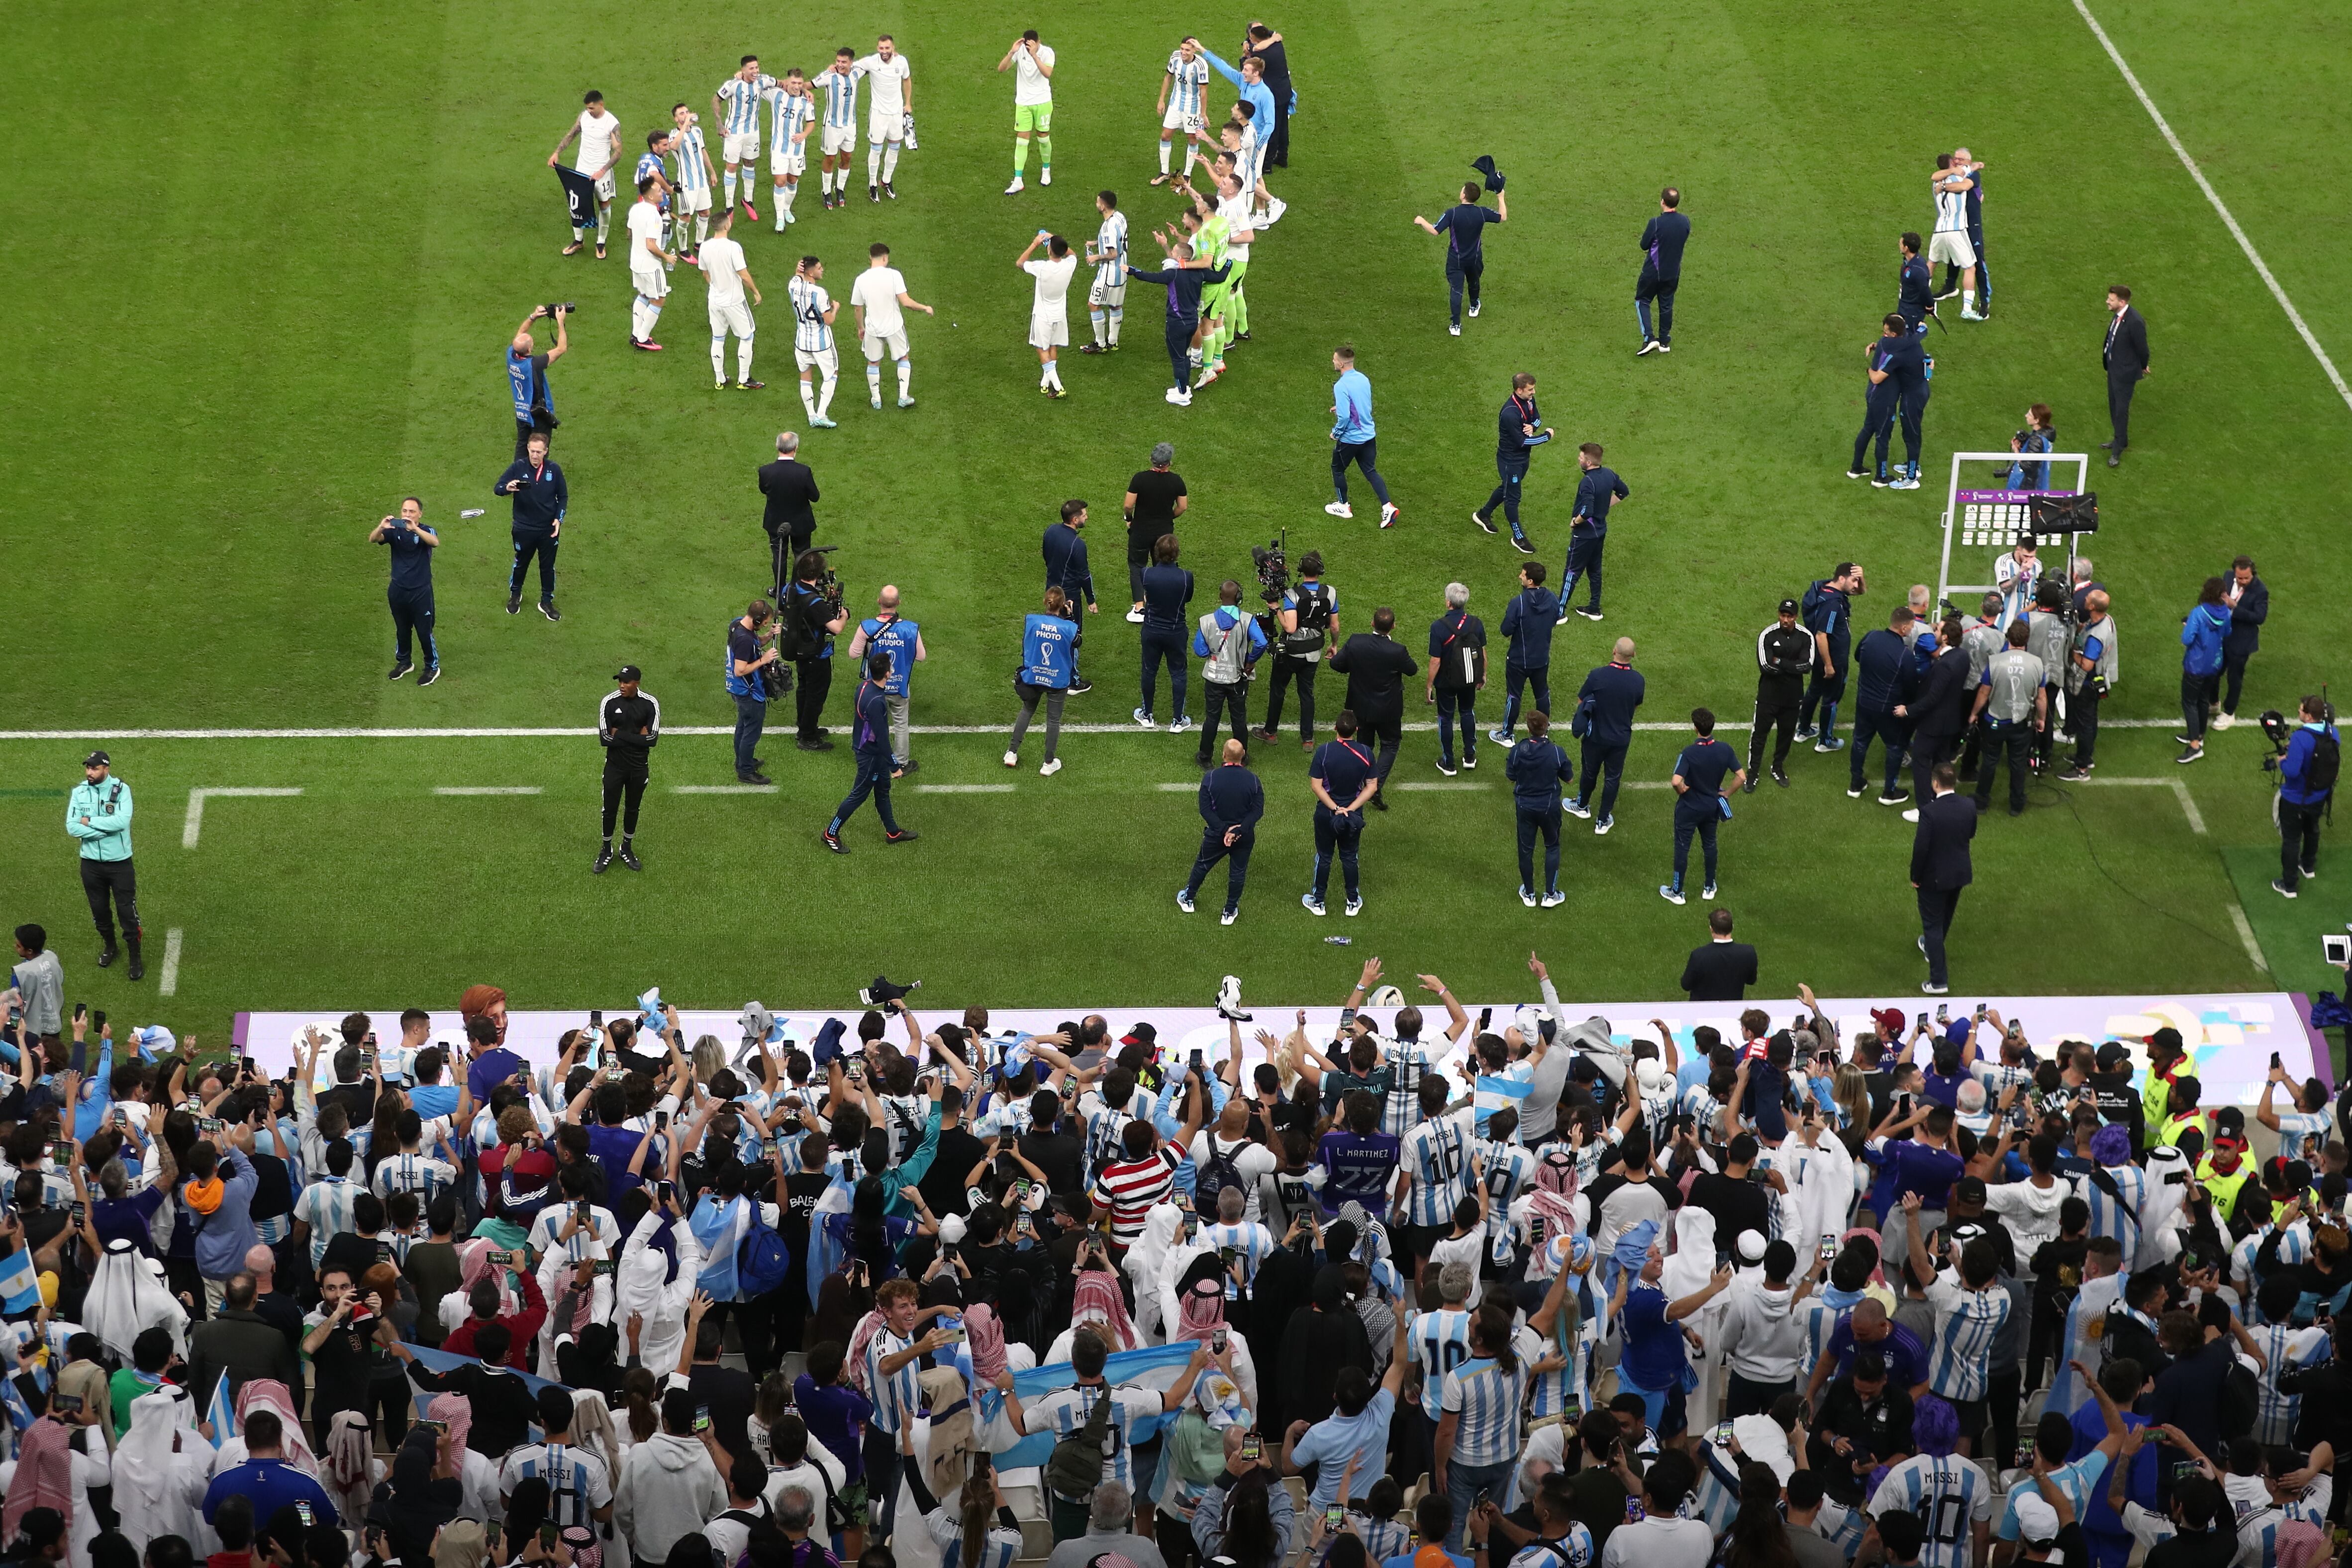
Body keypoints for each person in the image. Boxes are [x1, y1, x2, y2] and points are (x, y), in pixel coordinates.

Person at [822, 651, 916, 852]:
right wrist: (895, 766)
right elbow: (882, 738)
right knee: (858, 795)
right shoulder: (877, 703)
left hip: (868, 749)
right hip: (871, 755)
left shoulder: (864, 686)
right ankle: (830, 833)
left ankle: (893, 832)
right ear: (887, 675)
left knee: (883, 791)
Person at [1329, 607, 1417, 807]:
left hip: (1360, 707)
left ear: (1372, 623)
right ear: (1393, 626)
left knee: (1364, 747)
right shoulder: (1398, 651)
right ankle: (1375, 787)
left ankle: (1364, 785)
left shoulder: (1356, 642)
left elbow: (1336, 664)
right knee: (1390, 745)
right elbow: (1412, 670)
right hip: (1388, 710)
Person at [1128, 234, 1229, 405]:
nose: (1172, 254)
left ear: (1181, 258)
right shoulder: (1200, 273)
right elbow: (1220, 277)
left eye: (1174, 252)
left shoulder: (1173, 274)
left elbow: (1150, 277)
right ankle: (1184, 388)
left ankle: (1182, 395)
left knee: (1178, 358)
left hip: (1176, 323)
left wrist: (1131, 271)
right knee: (1184, 356)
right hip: (1191, 322)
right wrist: (1227, 265)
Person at [68, 751, 142, 977]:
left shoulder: (121, 790)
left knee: (127, 913)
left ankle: (135, 957)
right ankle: (111, 946)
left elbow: (121, 821)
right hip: (91, 865)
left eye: (95, 768)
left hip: (120, 864)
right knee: (99, 911)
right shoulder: (79, 792)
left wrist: (89, 822)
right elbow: (72, 827)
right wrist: (101, 831)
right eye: (88, 768)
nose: (90, 772)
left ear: (106, 769)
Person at [1661, 708, 1743, 906]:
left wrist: (1682, 791)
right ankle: (1708, 887)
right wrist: (1727, 794)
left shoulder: (1689, 753)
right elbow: (1741, 777)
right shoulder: (1725, 749)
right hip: (1711, 807)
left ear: (1696, 728)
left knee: (1682, 848)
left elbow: (1675, 781)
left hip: (1689, 808)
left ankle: (1677, 892)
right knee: (1710, 845)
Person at [845, 586, 926, 776]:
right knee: (901, 724)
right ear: (898, 603)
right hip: (899, 686)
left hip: (874, 688)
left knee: (872, 723)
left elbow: (853, 654)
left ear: (879, 602)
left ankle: (870, 756)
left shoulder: (867, 626)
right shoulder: (911, 629)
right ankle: (901, 763)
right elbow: (921, 656)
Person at [1567, 637, 1645, 832]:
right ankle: (1602, 820)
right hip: (1621, 738)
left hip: (1596, 737)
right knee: (1613, 778)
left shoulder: (1598, 676)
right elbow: (1635, 705)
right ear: (1633, 655)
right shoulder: (1638, 680)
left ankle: (1582, 806)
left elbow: (1581, 701)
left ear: (1614, 651)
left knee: (1590, 772)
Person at [1182, 738, 1264, 925]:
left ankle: (1188, 899)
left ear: (1224, 755)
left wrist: (1224, 831)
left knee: (1203, 865)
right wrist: (1238, 831)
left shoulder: (1210, 778)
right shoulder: (1253, 780)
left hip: (1216, 835)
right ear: (1243, 756)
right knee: (1238, 872)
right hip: (1243, 836)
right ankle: (1229, 910)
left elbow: (1205, 810)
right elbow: (1257, 811)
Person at [1911, 762, 1976, 995]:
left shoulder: (1930, 812)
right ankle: (1931, 946)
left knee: (1932, 924)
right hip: (1959, 873)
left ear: (1935, 783)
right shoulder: (1969, 805)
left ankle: (1938, 980)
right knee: (1945, 916)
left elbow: (1921, 849)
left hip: (1934, 878)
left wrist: (1915, 876)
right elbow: (1970, 833)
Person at [1305, 711, 1378, 918]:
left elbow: (1316, 786)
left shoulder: (1324, 751)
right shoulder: (1366, 752)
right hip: (1353, 817)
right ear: (1356, 730)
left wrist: (1335, 808)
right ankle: (1352, 902)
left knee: (1325, 856)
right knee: (1349, 856)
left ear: (1335, 729)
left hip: (1327, 814)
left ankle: (1318, 902)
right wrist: (1351, 809)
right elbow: (1372, 786)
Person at [1970, 620, 2046, 817]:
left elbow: (1983, 694)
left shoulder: (1995, 662)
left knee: (1989, 761)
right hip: (2021, 722)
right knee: (2018, 763)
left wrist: (1974, 714)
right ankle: (2016, 804)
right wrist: (2042, 719)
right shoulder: (2037, 663)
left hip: (1995, 721)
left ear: (2008, 638)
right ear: (2027, 640)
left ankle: (1981, 802)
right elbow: (2041, 697)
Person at [1471, 373, 1555, 553]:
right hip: (1510, 462)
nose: (1534, 393)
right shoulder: (1510, 413)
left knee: (1507, 487)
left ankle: (1483, 514)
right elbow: (1522, 442)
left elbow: (1537, 417)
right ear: (1519, 390)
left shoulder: (1529, 401)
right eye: (1530, 390)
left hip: (1522, 459)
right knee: (1512, 499)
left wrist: (1533, 427)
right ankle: (1518, 537)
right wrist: (1546, 437)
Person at [1412, 182, 1506, 336]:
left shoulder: (1453, 213)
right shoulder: (1482, 213)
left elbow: (1435, 231)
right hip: (1475, 258)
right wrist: (1501, 197)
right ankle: (1474, 306)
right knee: (1474, 281)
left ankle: (1456, 326)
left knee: (1456, 290)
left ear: (1464, 195)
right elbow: (1503, 217)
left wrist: (1422, 221)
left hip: (1456, 260)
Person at [848, 243, 933, 411]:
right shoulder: (894, 275)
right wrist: (925, 308)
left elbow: (858, 308)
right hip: (894, 327)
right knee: (903, 358)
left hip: (873, 328)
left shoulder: (861, 280)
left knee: (873, 362)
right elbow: (906, 303)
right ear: (885, 257)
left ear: (870, 257)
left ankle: (876, 399)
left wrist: (861, 328)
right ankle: (903, 397)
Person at [1193, 580, 1269, 767]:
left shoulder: (1206, 621)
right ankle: (1242, 757)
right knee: (1238, 718)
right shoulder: (1247, 620)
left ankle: (1205, 757)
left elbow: (1200, 650)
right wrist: (1250, 661)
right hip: (1238, 678)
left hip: (1214, 678)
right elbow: (1262, 643)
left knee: (1212, 719)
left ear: (1220, 597)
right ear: (1239, 598)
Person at [2267, 694, 2337, 898]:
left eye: (2300, 710)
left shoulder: (2300, 738)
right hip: (2321, 795)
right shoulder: (2333, 732)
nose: (2298, 712)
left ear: (2308, 716)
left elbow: (2292, 771)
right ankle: (2308, 866)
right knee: (2313, 828)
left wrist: (2282, 760)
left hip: (2296, 799)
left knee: (2291, 840)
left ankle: (2289, 886)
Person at [366, 498, 441, 687]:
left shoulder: (426, 530)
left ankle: (432, 667)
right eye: (405, 511)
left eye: (412, 512)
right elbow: (373, 539)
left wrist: (415, 529)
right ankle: (404, 662)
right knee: (402, 628)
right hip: (398, 590)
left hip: (421, 592)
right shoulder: (394, 531)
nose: (407, 515)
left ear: (420, 514)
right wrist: (381, 527)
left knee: (424, 632)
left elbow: (435, 542)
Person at [1264, 552, 1336, 748]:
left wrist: (1276, 609)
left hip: (1291, 652)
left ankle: (1270, 733)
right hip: (1313, 653)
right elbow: (1335, 626)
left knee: (1278, 690)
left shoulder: (1292, 594)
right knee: (1306, 694)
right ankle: (1308, 739)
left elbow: (1290, 628)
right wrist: (1334, 644)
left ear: (1301, 570)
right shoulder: (1330, 593)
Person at [1005, 588, 1079, 776]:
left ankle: (1011, 753)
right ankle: (1048, 763)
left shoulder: (1032, 621)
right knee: (1053, 720)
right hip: (1058, 678)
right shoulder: (1068, 628)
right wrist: (1070, 617)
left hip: (1034, 675)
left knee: (1028, 710)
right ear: (1062, 605)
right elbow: (1077, 642)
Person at [494, 429, 567, 620]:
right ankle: (515, 595)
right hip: (523, 528)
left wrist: (559, 519)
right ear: (527, 449)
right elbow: (498, 488)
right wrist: (507, 488)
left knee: (547, 567)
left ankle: (546, 602)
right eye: (532, 451)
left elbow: (563, 497)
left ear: (546, 451)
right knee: (521, 563)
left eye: (539, 452)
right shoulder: (518, 467)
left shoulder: (554, 470)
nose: (535, 455)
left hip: (548, 530)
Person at [1850, 604, 1919, 805]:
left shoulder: (1870, 637)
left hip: (1864, 703)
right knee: (1895, 747)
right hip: (1888, 710)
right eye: (1912, 626)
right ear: (1904, 628)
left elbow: (1857, 657)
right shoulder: (1904, 655)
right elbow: (1911, 688)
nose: (1913, 630)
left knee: (1860, 742)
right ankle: (1889, 793)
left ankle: (1856, 783)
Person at [594, 667, 659, 873]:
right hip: (615, 767)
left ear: (637, 683)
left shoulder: (650, 704)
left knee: (633, 809)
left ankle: (626, 848)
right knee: (609, 810)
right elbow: (605, 739)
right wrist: (638, 738)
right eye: (620, 681)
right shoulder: (609, 702)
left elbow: (652, 740)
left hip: (639, 768)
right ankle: (606, 849)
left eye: (626, 682)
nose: (622, 685)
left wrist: (619, 734)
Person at [1507, 711, 1573, 908]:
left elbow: (1511, 776)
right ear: (1546, 728)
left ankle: (1529, 894)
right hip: (1549, 806)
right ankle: (1550, 895)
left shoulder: (1519, 750)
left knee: (1526, 849)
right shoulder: (1556, 752)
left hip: (1525, 806)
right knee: (1552, 846)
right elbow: (1569, 779)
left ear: (1529, 729)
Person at [784, 549, 848, 751]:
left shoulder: (789, 588)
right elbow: (836, 628)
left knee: (804, 690)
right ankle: (808, 736)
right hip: (816, 655)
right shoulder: (814, 602)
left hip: (798, 649)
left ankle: (804, 726)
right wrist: (844, 615)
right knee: (815, 696)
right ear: (818, 574)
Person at [1326, 346, 1397, 525]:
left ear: (1341, 363)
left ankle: (1343, 507)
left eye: (1335, 360)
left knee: (1337, 469)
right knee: (1370, 470)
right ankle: (1387, 507)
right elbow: (1362, 404)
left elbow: (1344, 418)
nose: (1333, 362)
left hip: (1351, 439)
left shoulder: (1341, 386)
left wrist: (1336, 433)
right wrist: (1342, 407)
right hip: (1369, 435)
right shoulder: (1364, 379)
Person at [1747, 597, 1813, 788]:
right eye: (1783, 615)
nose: (1786, 620)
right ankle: (1753, 773)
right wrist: (1791, 666)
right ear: (1779, 615)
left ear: (1796, 617)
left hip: (1792, 699)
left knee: (1786, 735)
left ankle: (1777, 768)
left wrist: (1780, 662)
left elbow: (1806, 666)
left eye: (1790, 616)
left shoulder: (1805, 636)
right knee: (1759, 735)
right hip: (1768, 696)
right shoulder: (1767, 635)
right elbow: (1766, 665)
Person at [1558, 444, 1628, 622]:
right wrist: (1604, 508)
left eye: (1581, 458)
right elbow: (1623, 492)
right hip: (1600, 531)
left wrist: (1575, 522)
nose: (1579, 460)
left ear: (1589, 462)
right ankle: (1594, 609)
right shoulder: (1609, 474)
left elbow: (1587, 512)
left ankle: (1559, 613)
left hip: (1584, 535)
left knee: (1571, 572)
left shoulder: (1587, 482)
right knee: (1595, 571)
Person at [1796, 564, 1863, 750]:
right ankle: (1825, 741)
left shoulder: (1823, 588)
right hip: (1832, 658)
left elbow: (1860, 592)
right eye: (1854, 580)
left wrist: (1861, 577)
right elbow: (1821, 634)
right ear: (1842, 579)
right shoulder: (1833, 604)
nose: (1856, 585)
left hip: (1818, 654)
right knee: (1831, 698)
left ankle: (1803, 730)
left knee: (1815, 690)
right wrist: (1829, 665)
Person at [1849, 315, 1921, 486]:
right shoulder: (1900, 349)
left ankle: (1856, 468)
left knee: (1868, 428)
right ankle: (1880, 478)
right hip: (1884, 398)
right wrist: (1869, 370)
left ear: (1894, 334)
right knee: (1882, 436)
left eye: (1886, 331)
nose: (1884, 334)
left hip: (1874, 394)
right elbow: (1877, 378)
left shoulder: (1883, 343)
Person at [1490, 563, 1557, 746]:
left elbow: (1506, 630)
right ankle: (1543, 732)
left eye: (1523, 575)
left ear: (1530, 581)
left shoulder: (1518, 603)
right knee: (1542, 694)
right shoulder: (1552, 599)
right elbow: (1555, 619)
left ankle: (1506, 735)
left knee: (1514, 695)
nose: (1520, 577)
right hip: (1541, 658)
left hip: (1518, 660)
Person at [1426, 583, 1487, 776]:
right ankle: (1470, 757)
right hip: (1469, 678)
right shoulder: (1476, 623)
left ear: (1448, 602)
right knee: (1467, 712)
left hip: (1446, 682)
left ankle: (1449, 762)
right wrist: (1482, 674)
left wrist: (1429, 685)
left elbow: (1436, 661)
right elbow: (1483, 652)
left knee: (1446, 718)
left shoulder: (1438, 627)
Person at [549, 91, 620, 257]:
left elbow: (618, 152)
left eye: (592, 108)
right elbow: (572, 134)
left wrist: (602, 170)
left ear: (601, 105)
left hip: (602, 173)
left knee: (604, 205)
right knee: (577, 204)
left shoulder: (612, 123)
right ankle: (578, 241)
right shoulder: (584, 117)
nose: (589, 111)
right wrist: (557, 152)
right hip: (582, 170)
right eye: (587, 108)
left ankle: (601, 243)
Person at [697, 208, 761, 392]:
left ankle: (720, 379)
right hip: (734, 301)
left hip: (715, 300)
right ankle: (744, 379)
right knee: (747, 336)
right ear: (727, 225)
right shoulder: (733, 247)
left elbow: (704, 272)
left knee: (718, 338)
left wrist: (714, 285)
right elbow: (744, 275)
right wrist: (756, 292)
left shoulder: (705, 246)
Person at [2057, 590, 2119, 781]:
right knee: (2090, 721)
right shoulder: (2106, 620)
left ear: (2092, 607)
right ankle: (2086, 757)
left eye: (2088, 599)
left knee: (2085, 725)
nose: (2084, 599)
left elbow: (2086, 664)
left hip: (2086, 684)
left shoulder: (2095, 638)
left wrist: (2073, 651)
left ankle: (2082, 768)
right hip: (2096, 682)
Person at [1136, 533, 1195, 729]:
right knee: (1178, 673)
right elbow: (1187, 599)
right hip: (1176, 631)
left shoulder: (1146, 574)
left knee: (1149, 670)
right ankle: (1178, 720)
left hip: (1152, 630)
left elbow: (1146, 595)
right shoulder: (1186, 577)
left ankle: (1147, 715)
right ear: (1177, 554)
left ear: (1157, 553)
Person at [1123, 442, 1188, 617]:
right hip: (1164, 533)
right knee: (1161, 566)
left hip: (1140, 531)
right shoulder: (1177, 481)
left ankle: (1139, 607)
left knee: (1137, 565)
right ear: (1169, 462)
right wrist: (1169, 517)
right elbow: (1182, 507)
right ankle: (1159, 603)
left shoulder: (1140, 479)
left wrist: (1129, 519)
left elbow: (1129, 505)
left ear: (1151, 459)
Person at [1041, 498, 1097, 693]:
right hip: (1069, 597)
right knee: (1072, 637)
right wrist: (1091, 600)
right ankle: (1072, 682)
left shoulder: (1050, 531)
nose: (1087, 517)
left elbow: (1047, 556)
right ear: (1075, 520)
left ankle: (1049, 671)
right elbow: (1084, 576)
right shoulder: (1077, 545)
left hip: (1052, 591)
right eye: (1084, 515)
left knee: (1052, 632)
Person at [758, 429, 820, 602]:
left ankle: (779, 590)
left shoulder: (765, 471)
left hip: (775, 521)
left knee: (779, 556)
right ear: (796, 448)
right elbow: (815, 497)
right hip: (801, 522)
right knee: (802, 555)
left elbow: (764, 489)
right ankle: (801, 589)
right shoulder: (804, 472)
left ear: (778, 446)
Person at [712, 58, 776, 223]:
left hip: (753, 132)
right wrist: (719, 124)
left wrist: (806, 91)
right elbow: (716, 99)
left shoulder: (762, 81)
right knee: (732, 166)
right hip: (734, 133)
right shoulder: (734, 85)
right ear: (743, 70)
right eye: (751, 68)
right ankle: (729, 206)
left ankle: (748, 200)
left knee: (750, 163)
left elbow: (783, 83)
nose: (755, 71)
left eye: (757, 67)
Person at [1016, 230, 1078, 397]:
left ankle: (1058, 387)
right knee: (1052, 346)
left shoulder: (1042, 268)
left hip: (1043, 316)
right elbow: (1072, 255)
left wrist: (1035, 243)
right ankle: (1046, 382)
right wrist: (1058, 243)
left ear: (1049, 249)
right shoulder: (1070, 264)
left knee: (1041, 349)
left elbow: (1020, 263)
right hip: (1060, 315)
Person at [2176, 576, 2230, 765]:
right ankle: (2199, 734)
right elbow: (2227, 632)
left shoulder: (2198, 614)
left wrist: (2188, 625)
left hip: (2196, 665)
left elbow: (2187, 639)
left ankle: (2194, 746)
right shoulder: (2226, 612)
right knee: (2203, 700)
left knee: (2190, 702)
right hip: (2214, 663)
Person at [853, 36, 914, 200]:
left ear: (893, 47)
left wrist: (908, 103)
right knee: (876, 149)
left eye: (887, 48)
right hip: (878, 114)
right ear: (877, 48)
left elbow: (907, 80)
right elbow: (850, 66)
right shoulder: (871, 62)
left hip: (896, 114)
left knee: (894, 148)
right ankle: (873, 184)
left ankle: (886, 181)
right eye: (881, 48)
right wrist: (835, 67)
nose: (884, 52)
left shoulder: (902, 62)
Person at [504, 307, 567, 459]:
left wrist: (533, 317)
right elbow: (561, 348)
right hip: (538, 415)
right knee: (540, 450)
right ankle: (537, 479)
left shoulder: (511, 356)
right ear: (530, 348)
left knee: (522, 445)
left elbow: (520, 335)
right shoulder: (534, 364)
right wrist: (560, 321)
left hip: (522, 412)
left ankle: (518, 476)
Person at [2213, 556, 2268, 730]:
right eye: (2240, 578)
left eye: (2247, 578)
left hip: (2242, 641)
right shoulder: (2228, 577)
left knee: (2234, 678)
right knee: (2214, 671)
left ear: (2253, 573)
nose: (2243, 581)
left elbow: (2259, 618)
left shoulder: (2261, 591)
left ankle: (2229, 713)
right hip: (2223, 636)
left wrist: (2234, 606)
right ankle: (2213, 702)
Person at [624, 176, 677, 352]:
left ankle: (636, 334)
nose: (662, 191)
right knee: (659, 299)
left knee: (644, 295)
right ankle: (643, 339)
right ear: (651, 197)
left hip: (635, 262)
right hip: (650, 265)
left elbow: (629, 233)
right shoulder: (654, 215)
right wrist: (666, 258)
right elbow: (651, 245)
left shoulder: (635, 209)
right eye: (659, 190)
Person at [1635, 188, 1690, 355]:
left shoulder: (1656, 223)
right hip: (1673, 272)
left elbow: (1644, 245)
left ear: (1662, 202)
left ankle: (1649, 339)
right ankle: (1664, 342)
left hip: (1653, 271)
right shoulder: (1685, 222)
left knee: (1642, 300)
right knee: (1666, 305)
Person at [998, 31, 1055, 193]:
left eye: (1032, 44)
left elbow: (1047, 73)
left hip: (1042, 102)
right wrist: (1012, 52)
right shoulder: (1020, 51)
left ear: (1039, 42)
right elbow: (1002, 69)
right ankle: (1018, 180)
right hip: (1023, 103)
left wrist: (1035, 55)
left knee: (1043, 137)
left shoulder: (1047, 53)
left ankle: (1046, 170)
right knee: (1021, 140)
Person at [1928, 155, 1982, 321]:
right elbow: (1974, 168)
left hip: (1939, 230)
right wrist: (1976, 165)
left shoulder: (1935, 184)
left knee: (1931, 263)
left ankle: (1916, 296)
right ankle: (1967, 308)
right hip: (1956, 230)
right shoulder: (1960, 176)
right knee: (1970, 268)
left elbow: (1935, 176)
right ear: (1951, 164)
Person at [2100, 287, 2149, 467]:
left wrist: (2143, 366)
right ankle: (2121, 439)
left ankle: (2118, 449)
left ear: (2122, 302)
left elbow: (2143, 348)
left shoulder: (2135, 321)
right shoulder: (2119, 315)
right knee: (2114, 406)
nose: (2107, 301)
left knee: (2121, 410)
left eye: (2111, 300)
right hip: (2114, 369)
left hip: (2125, 373)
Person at [763, 70, 816, 229]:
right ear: (787, 82)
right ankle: (780, 219)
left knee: (793, 181)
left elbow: (811, 123)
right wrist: (740, 76)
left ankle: (786, 209)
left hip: (797, 149)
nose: (797, 87)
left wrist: (804, 134)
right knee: (780, 182)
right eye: (793, 83)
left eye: (800, 84)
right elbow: (759, 84)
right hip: (779, 147)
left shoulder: (806, 102)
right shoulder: (776, 95)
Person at [812, 49, 862, 212]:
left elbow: (875, 63)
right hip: (832, 126)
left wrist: (894, 55)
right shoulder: (829, 76)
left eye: (844, 62)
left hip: (850, 125)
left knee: (847, 157)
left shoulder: (857, 73)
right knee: (831, 158)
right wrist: (806, 92)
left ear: (851, 63)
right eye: (838, 61)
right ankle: (826, 192)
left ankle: (840, 189)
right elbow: (807, 85)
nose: (840, 65)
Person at [1083, 191, 1129, 354]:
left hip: (1109, 274)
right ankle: (1113, 342)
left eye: (1097, 203)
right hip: (1123, 271)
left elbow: (1113, 254)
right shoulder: (1120, 218)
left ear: (1103, 206)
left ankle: (1100, 344)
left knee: (1094, 305)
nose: (1096, 205)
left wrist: (1096, 257)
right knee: (1116, 306)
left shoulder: (1108, 226)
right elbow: (1117, 241)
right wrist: (1097, 243)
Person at [1680, 908, 1758, 1002]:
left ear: (1711, 929)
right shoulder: (1748, 953)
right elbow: (1751, 980)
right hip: (1731, 1008)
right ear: (1732, 927)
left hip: (1701, 1011)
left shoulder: (1699, 955)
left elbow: (1686, 985)